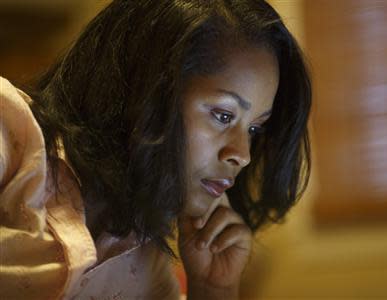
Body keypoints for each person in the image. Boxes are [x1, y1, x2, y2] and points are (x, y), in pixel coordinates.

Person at [0, 0, 311, 299]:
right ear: (146, 88)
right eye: (223, 115)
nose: (243, 154)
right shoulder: (10, 129)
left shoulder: (149, 269)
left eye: (255, 129)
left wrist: (215, 289)